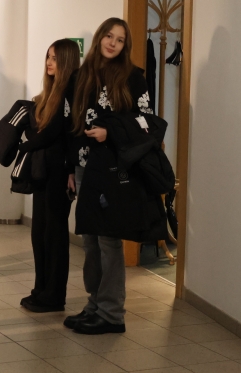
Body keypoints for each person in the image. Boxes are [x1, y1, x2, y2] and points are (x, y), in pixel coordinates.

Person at [65, 18, 153, 335]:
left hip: (114, 169)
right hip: (84, 167)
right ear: (100, 37)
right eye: (108, 36)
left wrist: (109, 132)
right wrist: (70, 168)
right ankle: (95, 304)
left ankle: (112, 313)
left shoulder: (133, 77)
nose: (112, 43)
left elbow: (146, 123)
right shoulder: (81, 76)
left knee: (108, 239)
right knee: (89, 239)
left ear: (125, 45)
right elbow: (72, 123)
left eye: (120, 39)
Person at [17, 39, 81, 313]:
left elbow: (56, 133)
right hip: (44, 171)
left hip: (60, 173)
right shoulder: (51, 92)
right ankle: (41, 289)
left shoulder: (71, 91)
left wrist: (24, 143)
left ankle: (54, 296)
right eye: (48, 57)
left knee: (54, 236)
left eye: (54, 58)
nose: (49, 63)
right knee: (40, 233)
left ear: (66, 61)